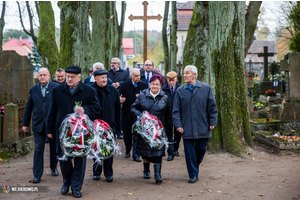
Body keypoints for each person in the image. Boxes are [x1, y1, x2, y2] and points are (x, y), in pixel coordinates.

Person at [46, 66, 100, 198]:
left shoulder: (89, 90)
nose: (69, 79)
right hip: (62, 131)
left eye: (72, 77)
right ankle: (66, 183)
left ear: (79, 77)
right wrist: (49, 129)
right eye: (67, 76)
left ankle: (76, 187)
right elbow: (52, 110)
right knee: (64, 159)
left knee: (80, 160)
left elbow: (97, 108)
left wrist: (85, 109)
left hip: (81, 133)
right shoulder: (58, 90)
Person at [172, 65, 218, 183]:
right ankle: (193, 174)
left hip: (203, 125)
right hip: (186, 126)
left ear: (195, 74)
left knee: (201, 149)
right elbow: (176, 110)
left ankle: (194, 167)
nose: (185, 75)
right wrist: (178, 125)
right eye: (184, 73)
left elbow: (212, 107)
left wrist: (212, 121)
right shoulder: (180, 91)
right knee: (189, 151)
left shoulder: (206, 88)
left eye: (187, 73)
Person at [131, 74, 172, 184]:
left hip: (159, 130)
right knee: (146, 152)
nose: (155, 86)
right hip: (145, 129)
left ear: (161, 85)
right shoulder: (142, 96)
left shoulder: (165, 98)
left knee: (158, 152)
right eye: (153, 84)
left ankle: (158, 174)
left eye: (157, 84)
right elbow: (133, 108)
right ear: (149, 84)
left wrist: (168, 130)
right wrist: (142, 115)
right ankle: (146, 169)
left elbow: (168, 115)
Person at [22, 67, 59, 183]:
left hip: (52, 124)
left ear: (49, 76)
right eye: (40, 75)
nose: (43, 77)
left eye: (45, 74)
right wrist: (25, 124)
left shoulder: (56, 88)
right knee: (38, 149)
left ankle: (53, 167)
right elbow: (28, 108)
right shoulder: (33, 89)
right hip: (38, 124)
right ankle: (37, 174)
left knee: (53, 148)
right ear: (37, 77)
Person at [91, 69, 121, 182]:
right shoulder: (91, 90)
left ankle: (108, 173)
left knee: (108, 149)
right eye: (101, 78)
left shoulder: (113, 91)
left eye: (105, 77)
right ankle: (96, 172)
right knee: (96, 149)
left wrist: (118, 128)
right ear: (95, 79)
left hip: (110, 125)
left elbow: (118, 110)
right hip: (95, 126)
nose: (104, 80)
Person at [119, 68, 148, 162]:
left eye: (139, 75)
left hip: (138, 113)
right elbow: (118, 96)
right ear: (131, 76)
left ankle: (135, 154)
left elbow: (148, 98)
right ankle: (128, 149)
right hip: (126, 112)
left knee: (137, 133)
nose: (138, 77)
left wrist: (142, 97)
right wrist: (120, 100)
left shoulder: (144, 85)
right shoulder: (124, 85)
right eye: (136, 76)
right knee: (126, 133)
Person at [161, 71, 181, 161]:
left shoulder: (181, 88)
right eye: (169, 80)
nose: (171, 82)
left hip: (178, 115)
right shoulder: (163, 89)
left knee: (178, 134)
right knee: (169, 134)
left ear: (176, 79)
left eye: (173, 80)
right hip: (167, 115)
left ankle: (175, 149)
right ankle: (170, 152)